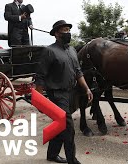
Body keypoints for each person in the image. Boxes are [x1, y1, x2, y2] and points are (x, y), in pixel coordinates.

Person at [35, 20, 93, 164]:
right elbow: (40, 76)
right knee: (68, 128)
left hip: (70, 93)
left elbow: (78, 72)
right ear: (56, 33)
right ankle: (72, 160)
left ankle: (52, 154)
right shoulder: (49, 51)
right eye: (64, 30)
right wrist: (39, 100)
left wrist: (86, 88)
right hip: (57, 95)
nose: (68, 32)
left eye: (68, 29)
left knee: (60, 126)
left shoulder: (72, 50)